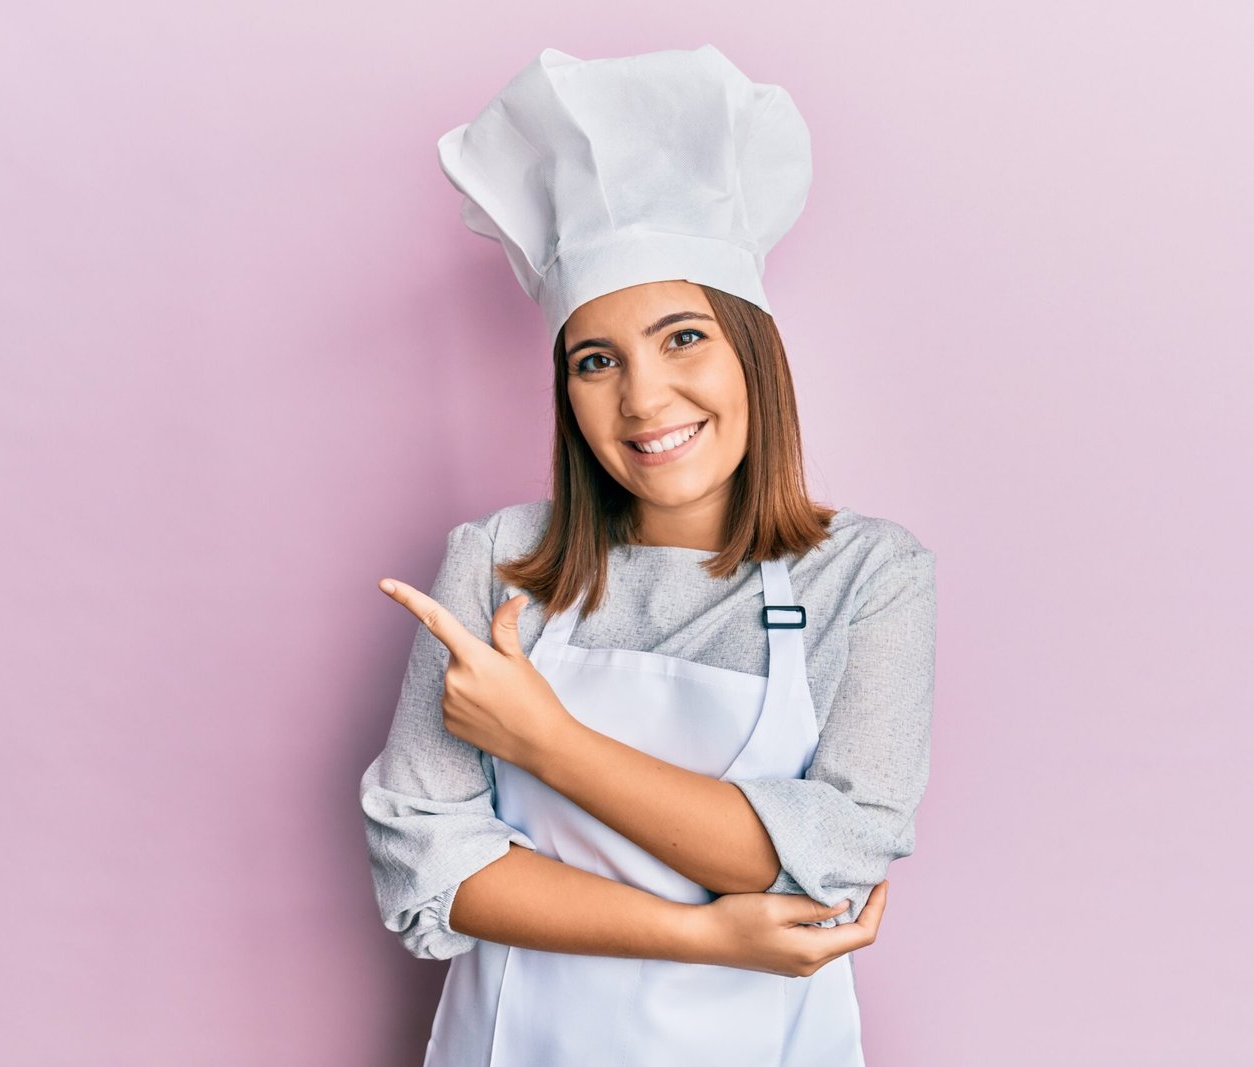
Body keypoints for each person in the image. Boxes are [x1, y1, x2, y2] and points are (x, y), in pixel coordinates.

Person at [359, 45, 936, 1067]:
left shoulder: (867, 575)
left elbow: (831, 857)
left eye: (682, 338)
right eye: (596, 360)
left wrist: (546, 740)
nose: (643, 398)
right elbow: (429, 865)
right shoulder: (498, 560)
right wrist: (702, 932)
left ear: (752, 352)